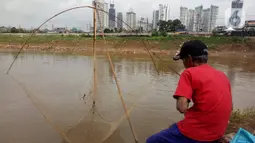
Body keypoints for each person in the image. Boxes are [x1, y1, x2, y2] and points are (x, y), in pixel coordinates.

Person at [146, 40, 233, 143]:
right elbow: (230, 106)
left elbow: (181, 107)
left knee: (152, 140)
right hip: (217, 132)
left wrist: (187, 103)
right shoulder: (221, 75)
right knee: (174, 127)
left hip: (197, 134)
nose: (183, 63)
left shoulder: (188, 73)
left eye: (183, 59)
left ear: (189, 59)